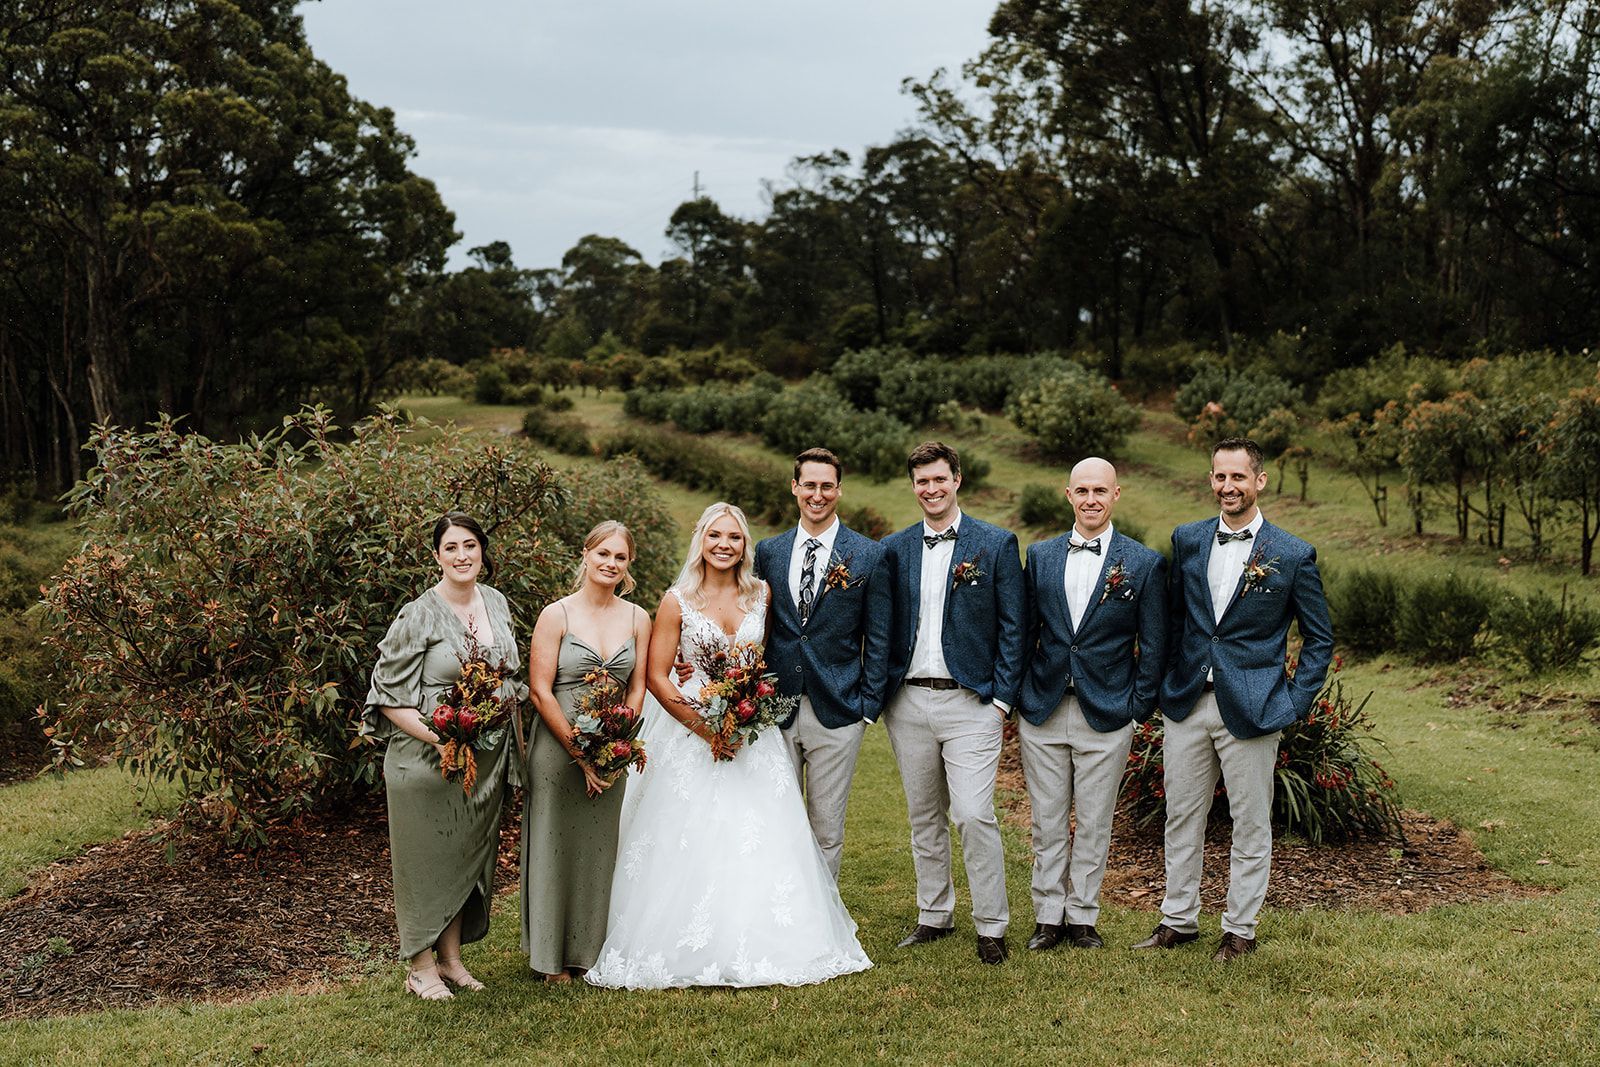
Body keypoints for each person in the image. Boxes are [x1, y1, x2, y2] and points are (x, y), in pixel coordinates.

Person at [586, 502, 872, 989]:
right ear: (701, 539)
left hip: (749, 729)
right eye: (716, 535)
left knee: (758, 834)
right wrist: (705, 728)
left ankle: (764, 938)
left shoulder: (762, 593)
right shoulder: (676, 600)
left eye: (734, 538)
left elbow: (775, 656)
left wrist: (746, 713)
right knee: (686, 833)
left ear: (745, 546)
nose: (724, 545)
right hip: (691, 727)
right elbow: (657, 675)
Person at [1135, 437, 1334, 962]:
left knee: (1250, 822)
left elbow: (1320, 638)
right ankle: (1178, 920)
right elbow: (1175, 619)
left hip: (1252, 706)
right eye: (1220, 477)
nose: (1228, 487)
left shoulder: (1291, 554)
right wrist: (1162, 684)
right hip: (1187, 701)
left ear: (1259, 481)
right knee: (1182, 815)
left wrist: (1292, 703)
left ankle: (1239, 928)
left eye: (1238, 477)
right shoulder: (1189, 540)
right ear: (1211, 480)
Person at [869, 441, 1025, 965]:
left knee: (975, 813)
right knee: (923, 817)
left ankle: (991, 925)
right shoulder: (894, 548)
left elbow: (1014, 627)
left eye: (939, 479)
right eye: (921, 482)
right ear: (913, 487)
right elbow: (884, 625)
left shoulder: (996, 544)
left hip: (972, 704)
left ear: (957, 479)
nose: (931, 489)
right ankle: (934, 914)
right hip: (909, 702)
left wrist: (1001, 700)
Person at [364, 512, 524, 999]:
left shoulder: (495, 602)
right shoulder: (419, 613)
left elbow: (509, 674)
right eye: (451, 547)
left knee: (464, 858)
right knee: (423, 861)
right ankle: (419, 966)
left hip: (484, 759)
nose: (462, 555)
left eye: (470, 546)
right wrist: (443, 737)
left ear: (482, 553)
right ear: (437, 556)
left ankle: (452, 960)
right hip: (426, 758)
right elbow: (388, 695)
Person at [1016, 458, 1166, 951]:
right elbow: (1024, 632)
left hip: (1108, 711)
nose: (1091, 500)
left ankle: (1082, 916)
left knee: (1096, 821)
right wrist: (1019, 694)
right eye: (1081, 491)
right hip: (1044, 706)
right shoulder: (1040, 556)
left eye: (1100, 490)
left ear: (1116, 494)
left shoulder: (1141, 563)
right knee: (1048, 821)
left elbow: (1154, 642)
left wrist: (1137, 706)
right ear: (1068, 495)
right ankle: (1047, 917)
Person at [520, 521, 652, 982]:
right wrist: (581, 753)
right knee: (555, 844)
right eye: (603, 554)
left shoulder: (638, 617)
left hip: (611, 751)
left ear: (628, 565)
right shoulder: (556, 615)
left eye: (620, 557)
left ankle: (589, 952)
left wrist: (616, 745)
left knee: (600, 847)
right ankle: (550, 958)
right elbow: (539, 691)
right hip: (559, 749)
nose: (610, 564)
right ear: (586, 554)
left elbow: (637, 687)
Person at [753, 447, 887, 879]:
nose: (817, 494)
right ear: (795, 487)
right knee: (776, 821)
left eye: (826, 486)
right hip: (776, 708)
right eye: (809, 485)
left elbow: (880, 636)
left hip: (839, 708)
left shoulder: (867, 554)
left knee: (827, 828)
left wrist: (867, 706)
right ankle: (780, 915)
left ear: (839, 491)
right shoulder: (768, 552)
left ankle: (822, 922)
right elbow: (755, 624)